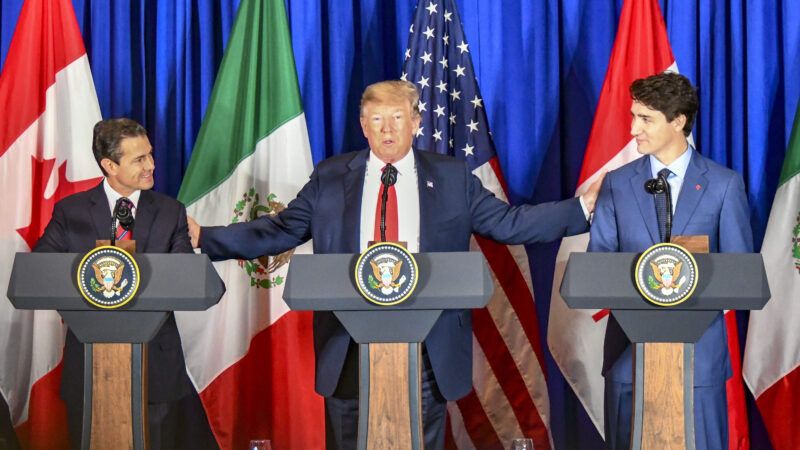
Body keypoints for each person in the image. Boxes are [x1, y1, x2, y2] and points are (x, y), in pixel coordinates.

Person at [188, 79, 603, 450]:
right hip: (349, 340)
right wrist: (206, 238)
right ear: (363, 126)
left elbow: (510, 223)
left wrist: (582, 207)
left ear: (417, 122)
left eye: (398, 117)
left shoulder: (451, 176)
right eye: (377, 119)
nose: (388, 129)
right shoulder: (332, 176)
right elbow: (282, 230)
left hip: (428, 341)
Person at [588, 72, 753, 450]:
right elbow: (598, 267)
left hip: (699, 363)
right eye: (633, 116)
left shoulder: (723, 184)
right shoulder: (617, 182)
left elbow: (739, 273)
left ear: (678, 121)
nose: (633, 130)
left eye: (645, 119)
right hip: (629, 358)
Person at [34, 119, 216, 450]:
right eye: (139, 159)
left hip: (156, 365)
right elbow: (41, 272)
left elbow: (186, 277)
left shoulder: (169, 211)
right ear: (109, 165)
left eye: (149, 155)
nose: (151, 166)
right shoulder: (70, 211)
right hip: (89, 364)